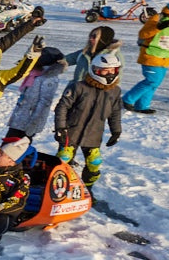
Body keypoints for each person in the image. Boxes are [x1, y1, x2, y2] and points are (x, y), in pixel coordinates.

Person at [52, 50, 124, 187]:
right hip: (71, 132)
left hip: (93, 134)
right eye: (105, 71)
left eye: (112, 70)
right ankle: (57, 188)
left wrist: (116, 131)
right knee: (64, 159)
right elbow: (62, 107)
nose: (109, 74)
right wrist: (60, 128)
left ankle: (87, 189)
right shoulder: (79, 87)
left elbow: (115, 112)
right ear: (95, 70)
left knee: (94, 162)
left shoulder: (115, 91)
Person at [1, 47, 69, 145]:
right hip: (20, 119)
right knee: (8, 145)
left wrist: (33, 125)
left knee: (16, 148)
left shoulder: (49, 78)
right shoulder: (34, 74)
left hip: (28, 122)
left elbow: (44, 103)